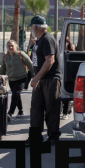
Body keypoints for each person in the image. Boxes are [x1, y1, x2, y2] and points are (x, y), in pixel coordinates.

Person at [26, 15, 63, 150]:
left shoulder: (47, 39)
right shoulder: (39, 40)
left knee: (51, 109)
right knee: (36, 109)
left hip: (51, 79)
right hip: (40, 80)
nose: (31, 30)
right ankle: (35, 136)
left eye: (31, 27)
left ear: (35, 27)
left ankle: (53, 135)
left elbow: (50, 60)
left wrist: (36, 78)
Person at [0, 39, 33, 120]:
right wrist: (0, 78)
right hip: (11, 79)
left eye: (12, 46)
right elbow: (2, 68)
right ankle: (21, 110)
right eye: (9, 46)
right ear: (7, 47)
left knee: (15, 94)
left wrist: (34, 75)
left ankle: (10, 113)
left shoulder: (21, 54)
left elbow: (30, 64)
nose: (10, 47)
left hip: (22, 78)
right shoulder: (6, 57)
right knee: (16, 95)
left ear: (16, 47)